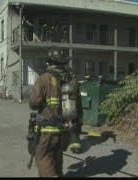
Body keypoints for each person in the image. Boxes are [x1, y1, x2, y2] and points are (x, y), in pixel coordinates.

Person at [29, 49, 79, 177]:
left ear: (50, 62)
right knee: (57, 161)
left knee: (43, 158)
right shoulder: (71, 80)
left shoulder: (44, 78)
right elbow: (79, 108)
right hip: (64, 131)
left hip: (47, 132)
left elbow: (33, 104)